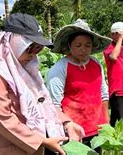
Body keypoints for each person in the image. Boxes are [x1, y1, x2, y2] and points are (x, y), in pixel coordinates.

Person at [0, 13, 77, 155]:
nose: (33, 54)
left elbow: (42, 103)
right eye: (30, 47)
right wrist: (40, 141)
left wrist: (66, 122)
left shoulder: (23, 68)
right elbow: (0, 118)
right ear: (14, 42)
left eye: (38, 48)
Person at [47, 19, 111, 147]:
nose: (83, 49)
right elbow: (54, 104)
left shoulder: (96, 64)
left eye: (87, 45)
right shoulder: (60, 68)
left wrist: (106, 121)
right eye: (78, 45)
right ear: (69, 45)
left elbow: (103, 94)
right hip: (73, 130)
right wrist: (66, 126)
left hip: (96, 128)